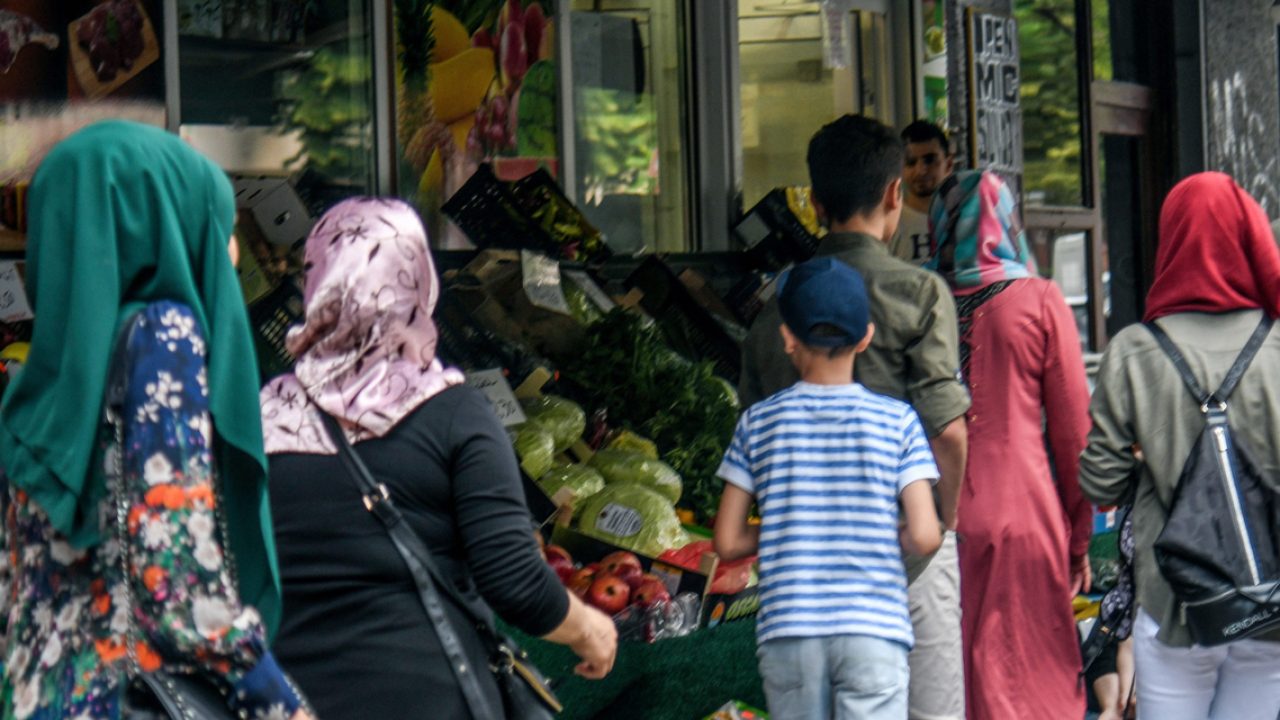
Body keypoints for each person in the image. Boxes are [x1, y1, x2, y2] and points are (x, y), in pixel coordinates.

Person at [261, 197, 618, 720]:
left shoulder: (260, 416)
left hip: (296, 701)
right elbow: (513, 578)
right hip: (427, 698)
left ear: (317, 284)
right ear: (418, 281)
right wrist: (591, 629)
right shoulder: (453, 412)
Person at [0, 121, 310, 719]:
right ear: (160, 224)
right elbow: (178, 586)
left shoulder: (33, 388)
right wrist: (278, 702)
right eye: (215, 225)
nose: (233, 250)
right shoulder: (162, 339)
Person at [739, 114, 969, 720]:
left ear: (814, 203)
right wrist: (941, 520)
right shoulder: (920, 293)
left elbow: (752, 440)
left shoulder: (772, 312)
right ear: (897, 193)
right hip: (905, 559)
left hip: (800, 584)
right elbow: (947, 430)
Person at [1080, 172, 1280, 720]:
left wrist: (1151, 458)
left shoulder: (1134, 350)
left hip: (1173, 606)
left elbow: (1099, 482)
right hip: (1271, 606)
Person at [715, 256, 943, 719]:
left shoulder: (757, 424)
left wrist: (789, 529)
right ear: (866, 338)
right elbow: (924, 535)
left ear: (787, 338)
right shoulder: (899, 423)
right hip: (873, 632)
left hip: (790, 635)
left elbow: (726, 540)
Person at [924, 170, 1093, 719]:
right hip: (1024, 512)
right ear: (1008, 220)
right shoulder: (1040, 300)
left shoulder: (919, 299)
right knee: (1028, 682)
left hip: (929, 509)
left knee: (954, 682)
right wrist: (1080, 535)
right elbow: (1073, 436)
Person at [890, 120, 954, 265]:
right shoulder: (890, 224)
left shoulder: (964, 219)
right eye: (911, 162)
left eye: (930, 160)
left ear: (948, 164)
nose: (921, 170)